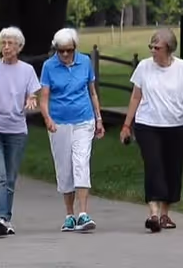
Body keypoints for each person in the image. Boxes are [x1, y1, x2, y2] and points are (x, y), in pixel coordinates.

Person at [119, 28, 183, 233]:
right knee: (154, 165)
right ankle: (153, 214)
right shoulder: (144, 67)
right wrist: (126, 125)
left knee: (172, 169)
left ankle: (165, 213)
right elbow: (135, 97)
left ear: (169, 49)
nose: (153, 51)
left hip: (176, 125)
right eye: (151, 47)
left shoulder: (182, 68)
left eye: (157, 48)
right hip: (148, 125)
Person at [39, 28, 105, 232]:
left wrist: (98, 118)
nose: (65, 55)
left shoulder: (85, 62)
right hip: (59, 123)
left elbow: (92, 92)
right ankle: (69, 215)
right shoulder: (49, 66)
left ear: (75, 48)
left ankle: (84, 213)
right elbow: (44, 99)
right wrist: (47, 118)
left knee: (81, 163)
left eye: (69, 50)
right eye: (61, 51)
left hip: (84, 120)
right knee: (65, 169)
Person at [0, 26, 41, 237]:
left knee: (10, 177)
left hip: (17, 130)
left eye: (10, 43)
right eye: (3, 43)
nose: (6, 47)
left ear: (19, 47)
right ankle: (0, 218)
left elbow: (33, 94)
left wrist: (31, 99)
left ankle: (6, 218)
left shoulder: (27, 70)